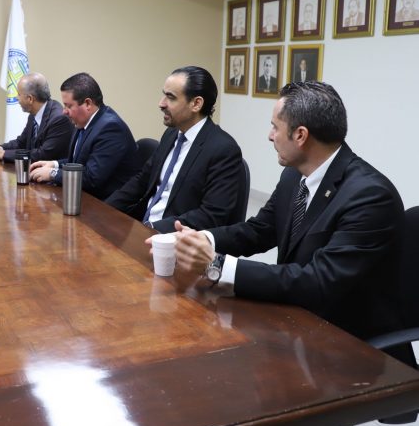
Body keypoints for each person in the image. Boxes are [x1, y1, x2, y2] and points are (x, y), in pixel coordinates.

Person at [168, 81, 405, 344]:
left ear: (300, 135)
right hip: (295, 318)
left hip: (348, 340)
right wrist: (201, 240)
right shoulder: (294, 176)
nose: (270, 136)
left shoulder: (370, 196)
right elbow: (259, 230)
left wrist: (217, 265)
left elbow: (319, 281)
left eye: (275, 127)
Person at [106, 66, 246, 233]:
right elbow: (141, 181)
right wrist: (105, 209)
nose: (161, 103)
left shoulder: (223, 149)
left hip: (174, 239)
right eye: (164, 95)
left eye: (170, 97)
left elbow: (210, 215)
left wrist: (152, 228)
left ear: (196, 104)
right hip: (143, 228)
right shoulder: (171, 134)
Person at [29, 72, 140, 200]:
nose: (64, 111)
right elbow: (78, 163)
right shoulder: (83, 122)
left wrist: (53, 174)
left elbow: (91, 178)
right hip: (85, 197)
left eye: (68, 106)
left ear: (87, 104)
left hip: (106, 204)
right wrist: (54, 165)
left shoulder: (111, 128)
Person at [0, 73, 73, 163]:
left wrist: (3, 154)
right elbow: (21, 143)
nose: (16, 98)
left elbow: (42, 155)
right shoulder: (34, 113)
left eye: (19, 94)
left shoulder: (59, 119)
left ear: (30, 99)